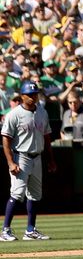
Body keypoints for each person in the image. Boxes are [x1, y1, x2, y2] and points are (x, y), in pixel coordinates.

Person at [2, 81, 54, 241]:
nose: (33, 97)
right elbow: (6, 139)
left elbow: (47, 137)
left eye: (35, 94)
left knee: (35, 195)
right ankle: (5, 231)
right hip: (21, 156)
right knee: (17, 193)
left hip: (37, 156)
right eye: (30, 95)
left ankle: (30, 230)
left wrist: (50, 159)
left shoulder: (42, 113)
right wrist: (11, 162)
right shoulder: (14, 114)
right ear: (22, 96)